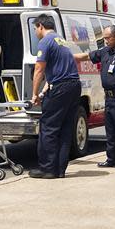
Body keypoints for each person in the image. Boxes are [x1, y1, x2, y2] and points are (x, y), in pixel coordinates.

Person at [74, 25, 115, 169]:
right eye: (104, 38)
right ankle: (112, 159)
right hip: (109, 98)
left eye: (108, 38)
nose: (105, 41)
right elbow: (86, 56)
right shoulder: (105, 52)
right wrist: (67, 57)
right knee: (111, 132)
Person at [29, 14, 81, 179]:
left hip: (61, 88)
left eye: (36, 28)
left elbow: (39, 69)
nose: (36, 32)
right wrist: (44, 92)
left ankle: (48, 169)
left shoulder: (45, 41)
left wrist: (34, 94)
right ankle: (60, 169)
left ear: (41, 26)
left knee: (49, 128)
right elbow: (57, 71)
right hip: (73, 86)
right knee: (65, 129)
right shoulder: (61, 40)